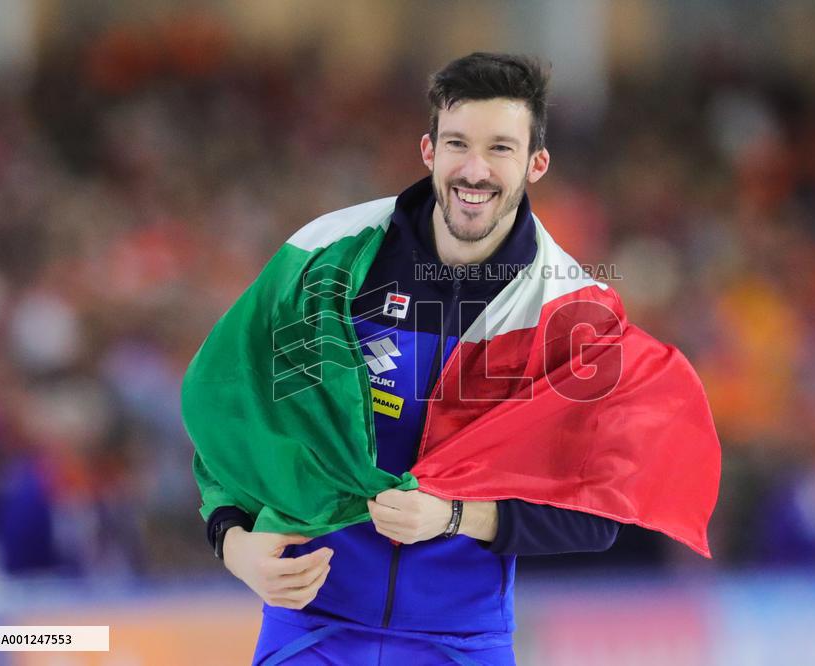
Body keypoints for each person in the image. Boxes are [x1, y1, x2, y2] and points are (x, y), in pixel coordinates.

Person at [184, 52, 720, 665]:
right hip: (311, 629)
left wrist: (455, 517)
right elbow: (239, 421)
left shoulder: (569, 315)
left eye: (500, 149)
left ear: (536, 162)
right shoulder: (332, 262)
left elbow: (595, 514)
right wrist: (232, 542)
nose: (475, 170)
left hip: (461, 644)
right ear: (428, 150)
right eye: (458, 143)